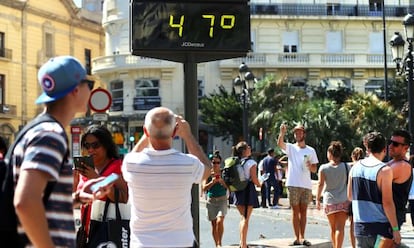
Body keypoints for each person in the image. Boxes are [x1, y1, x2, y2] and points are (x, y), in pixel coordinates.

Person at [11, 56, 96, 247]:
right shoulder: (51, 135)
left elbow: (37, 198)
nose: (90, 90)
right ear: (75, 90)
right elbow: (25, 202)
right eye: (88, 83)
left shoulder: (37, 130)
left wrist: (72, 200)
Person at [122, 107, 211, 247]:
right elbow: (207, 169)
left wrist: (149, 133)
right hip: (180, 243)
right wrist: (188, 135)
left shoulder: (132, 163)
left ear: (145, 131)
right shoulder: (188, 164)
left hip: (143, 244)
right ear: (175, 132)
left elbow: (133, 155)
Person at [347, 131, 401, 247]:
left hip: (360, 229)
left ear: (367, 148)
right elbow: (387, 203)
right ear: (384, 149)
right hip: (380, 229)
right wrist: (395, 229)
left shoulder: (354, 168)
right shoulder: (384, 170)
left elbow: (350, 196)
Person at [75, 125, 128, 236]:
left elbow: (124, 198)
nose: (90, 150)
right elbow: (75, 202)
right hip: (86, 231)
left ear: (106, 145)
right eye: (87, 145)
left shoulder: (117, 167)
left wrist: (96, 178)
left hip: (108, 232)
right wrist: (74, 180)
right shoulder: (85, 170)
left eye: (95, 145)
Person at [277, 123, 318, 246]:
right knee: (295, 211)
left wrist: (310, 166)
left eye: (300, 132)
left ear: (304, 134)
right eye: (296, 132)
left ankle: (303, 236)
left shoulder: (311, 150)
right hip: (293, 183)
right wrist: (282, 133)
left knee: (304, 211)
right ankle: (297, 238)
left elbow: (315, 169)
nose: (298, 134)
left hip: (306, 184)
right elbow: (280, 144)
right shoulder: (291, 147)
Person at [316, 141, 350, 248]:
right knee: (340, 228)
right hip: (343, 200)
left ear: (330, 153)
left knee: (332, 228)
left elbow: (320, 184)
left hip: (329, 200)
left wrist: (317, 199)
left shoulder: (323, 168)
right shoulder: (346, 167)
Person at [231, 141, 261, 248]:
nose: (250, 148)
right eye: (248, 147)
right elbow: (254, 178)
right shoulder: (251, 163)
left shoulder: (236, 162)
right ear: (244, 150)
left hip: (237, 191)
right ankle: (243, 244)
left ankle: (241, 241)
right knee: (246, 218)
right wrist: (260, 184)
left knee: (242, 217)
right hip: (248, 191)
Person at [202, 150, 227, 248]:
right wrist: (212, 182)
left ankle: (219, 243)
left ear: (220, 163)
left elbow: (228, 187)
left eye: (217, 162)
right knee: (213, 224)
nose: (216, 164)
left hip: (222, 199)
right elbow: (204, 188)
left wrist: (221, 181)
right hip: (211, 200)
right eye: (214, 162)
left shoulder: (223, 173)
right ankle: (216, 243)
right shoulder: (207, 173)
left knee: (220, 221)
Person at [387, 130, 413, 228]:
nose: (390, 146)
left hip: (391, 221)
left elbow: (377, 177)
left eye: (395, 144)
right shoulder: (393, 162)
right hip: (385, 219)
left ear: (406, 148)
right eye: (390, 142)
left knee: (382, 244)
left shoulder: (403, 166)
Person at [348, 146, 364, 248]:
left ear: (352, 156)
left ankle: (354, 246)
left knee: (352, 224)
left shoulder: (350, 167)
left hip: (352, 197)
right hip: (363, 197)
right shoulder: (365, 166)